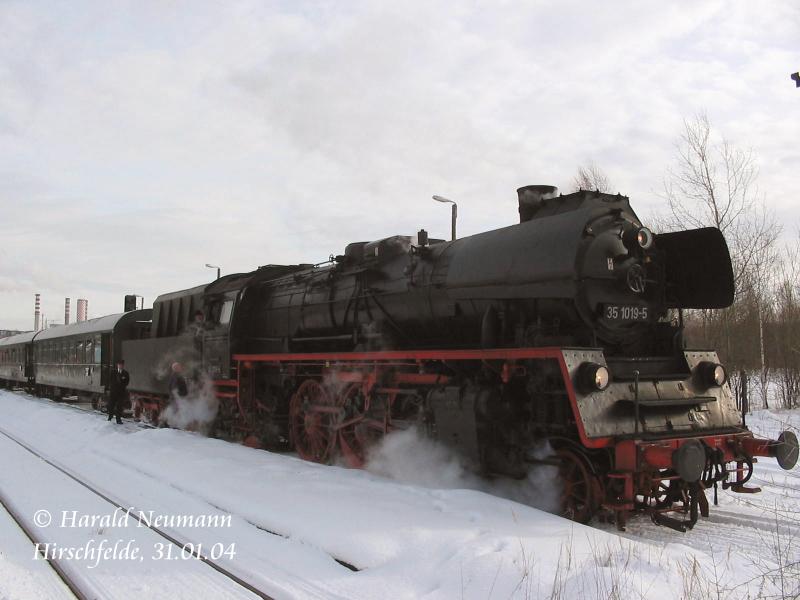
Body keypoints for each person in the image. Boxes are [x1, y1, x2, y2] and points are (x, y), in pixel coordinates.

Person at [107, 360, 130, 424]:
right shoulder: (113, 372)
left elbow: (127, 382)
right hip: (113, 392)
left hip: (121, 392)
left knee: (119, 406)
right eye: (119, 364)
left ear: (123, 365)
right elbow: (110, 380)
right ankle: (110, 416)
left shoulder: (125, 373)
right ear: (117, 365)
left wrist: (122, 386)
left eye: (122, 365)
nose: (120, 366)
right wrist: (113, 387)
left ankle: (118, 419)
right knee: (111, 405)